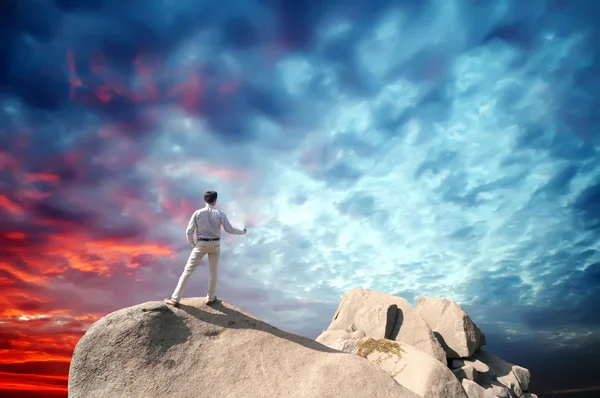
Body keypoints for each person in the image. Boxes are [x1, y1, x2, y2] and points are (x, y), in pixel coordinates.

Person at [165, 190, 246, 307]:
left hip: (201, 244)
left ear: (204, 200)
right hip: (215, 245)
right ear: (215, 200)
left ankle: (175, 299)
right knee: (213, 272)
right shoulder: (220, 214)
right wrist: (242, 232)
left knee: (188, 270)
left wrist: (193, 244)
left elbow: (189, 231)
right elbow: (230, 229)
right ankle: (210, 297)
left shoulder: (197, 213)